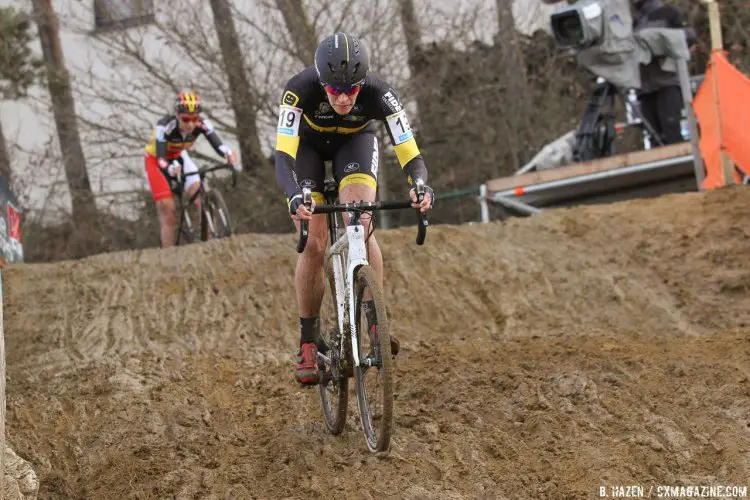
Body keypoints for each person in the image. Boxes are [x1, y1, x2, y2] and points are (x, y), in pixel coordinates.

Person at [274, 32, 434, 385]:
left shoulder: (381, 93)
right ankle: (307, 342)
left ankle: (376, 322)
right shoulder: (298, 89)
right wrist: (293, 194)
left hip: (354, 145)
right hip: (307, 151)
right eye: (334, 91)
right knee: (314, 244)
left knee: (360, 220)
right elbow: (283, 154)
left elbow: (410, 151)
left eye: (352, 90)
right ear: (321, 81)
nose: (344, 98)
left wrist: (419, 185)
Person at [144, 91, 239, 248]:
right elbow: (161, 159)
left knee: (199, 196)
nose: (190, 124)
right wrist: (168, 169)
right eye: (186, 119)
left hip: (179, 155)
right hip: (156, 160)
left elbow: (218, 144)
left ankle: (207, 243)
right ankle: (169, 253)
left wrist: (228, 154)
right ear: (177, 115)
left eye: (194, 119)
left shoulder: (202, 124)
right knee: (168, 209)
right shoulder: (164, 126)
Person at [631, 0, 696, 145]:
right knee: (654, 139)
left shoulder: (668, 13)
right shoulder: (632, 23)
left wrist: (659, 40)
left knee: (674, 134)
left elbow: (690, 36)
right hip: (644, 90)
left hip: (668, 84)